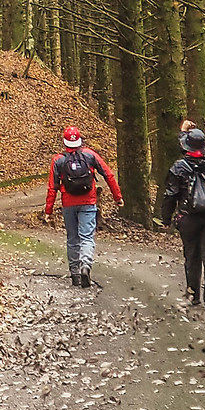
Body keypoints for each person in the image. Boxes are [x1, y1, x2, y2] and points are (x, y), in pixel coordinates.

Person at [42, 124, 121, 289]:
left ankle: (75, 274)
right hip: (88, 201)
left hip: (68, 203)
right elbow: (108, 175)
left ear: (64, 142)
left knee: (72, 239)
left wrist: (48, 210)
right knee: (86, 237)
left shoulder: (58, 160)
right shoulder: (90, 155)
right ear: (79, 140)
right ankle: (86, 265)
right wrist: (117, 197)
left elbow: (52, 187)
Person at [162, 126, 205, 306]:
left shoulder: (178, 167)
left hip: (188, 218)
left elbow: (170, 194)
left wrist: (166, 219)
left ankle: (193, 295)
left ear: (187, 146)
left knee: (191, 256)